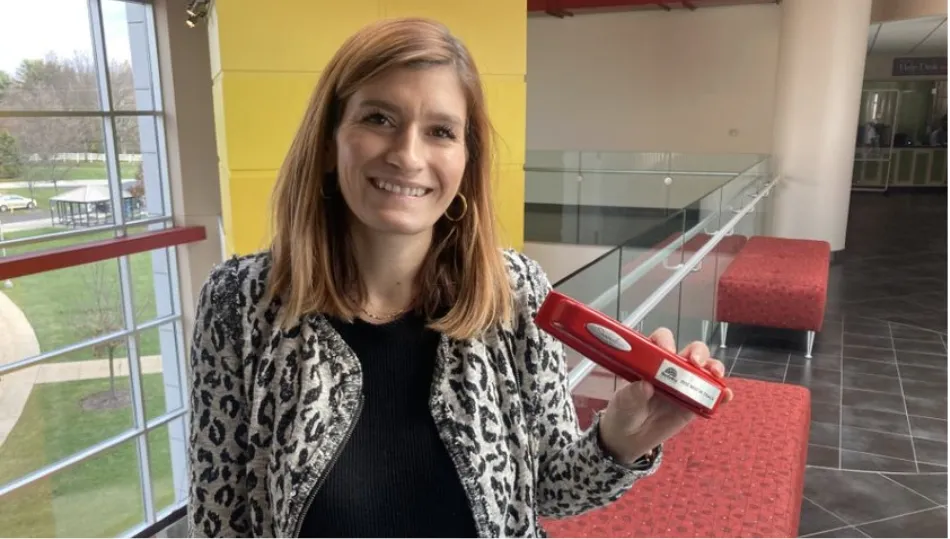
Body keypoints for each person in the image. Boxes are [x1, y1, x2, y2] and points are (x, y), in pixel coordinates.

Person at [187, 17, 731, 538]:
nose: (407, 155)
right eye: (378, 118)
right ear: (330, 142)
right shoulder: (242, 302)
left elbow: (548, 492)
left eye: (441, 131)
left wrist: (621, 440)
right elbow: (219, 519)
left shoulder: (515, 291)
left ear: (466, 159)